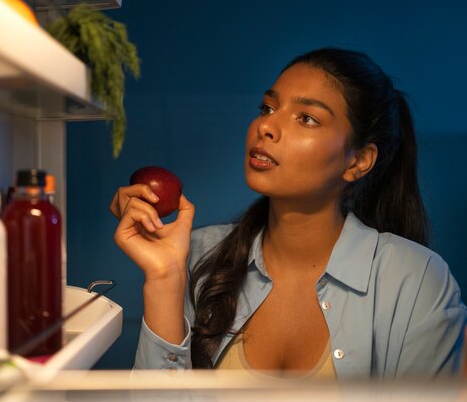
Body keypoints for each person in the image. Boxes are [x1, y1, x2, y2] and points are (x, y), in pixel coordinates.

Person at [109, 48, 466, 379]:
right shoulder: (197, 256)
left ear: (358, 161)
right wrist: (164, 279)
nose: (265, 126)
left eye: (307, 118)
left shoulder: (416, 280)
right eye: (267, 108)